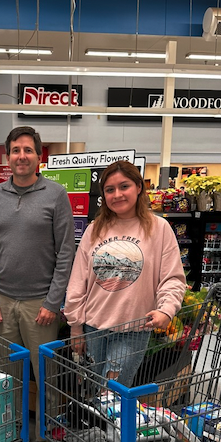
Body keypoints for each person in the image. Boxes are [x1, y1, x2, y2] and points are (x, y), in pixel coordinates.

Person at [0, 126, 75, 442]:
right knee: (8, 372)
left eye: (28, 150)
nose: (21, 156)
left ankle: (48, 436)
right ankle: (13, 429)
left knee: (45, 373)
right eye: (15, 150)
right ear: (8, 157)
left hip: (41, 306)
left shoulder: (55, 194)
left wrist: (53, 302)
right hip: (3, 302)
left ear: (39, 157)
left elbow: (66, 253)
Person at [64, 160, 186, 388]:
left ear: (139, 187)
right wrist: (75, 325)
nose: (117, 194)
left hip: (134, 328)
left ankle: (113, 425)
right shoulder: (94, 229)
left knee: (114, 393)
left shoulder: (159, 229)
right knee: (90, 388)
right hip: (93, 326)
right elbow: (78, 280)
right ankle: (93, 424)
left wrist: (166, 310)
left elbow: (172, 278)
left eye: (124, 186)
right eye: (110, 190)